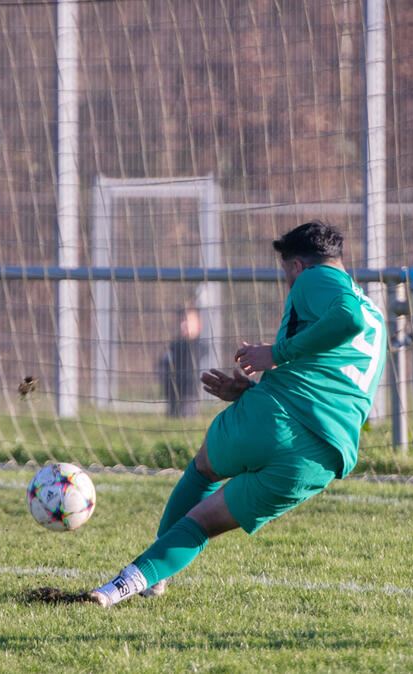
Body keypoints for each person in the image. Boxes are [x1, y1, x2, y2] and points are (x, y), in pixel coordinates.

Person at [52, 220, 385, 607]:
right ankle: (119, 590)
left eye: (285, 275)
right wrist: (252, 389)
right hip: (319, 459)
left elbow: (348, 319)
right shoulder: (376, 316)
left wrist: (274, 354)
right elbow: (333, 377)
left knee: (205, 471)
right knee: (203, 523)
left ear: (295, 265)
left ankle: (150, 581)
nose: (288, 284)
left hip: (271, 418)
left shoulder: (315, 278)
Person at [158, 304, 205, 418]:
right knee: (172, 419)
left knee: (186, 417)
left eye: (188, 321)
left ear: (198, 325)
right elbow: (163, 364)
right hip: (172, 394)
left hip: (189, 396)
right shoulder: (174, 346)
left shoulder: (200, 347)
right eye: (182, 320)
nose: (183, 324)